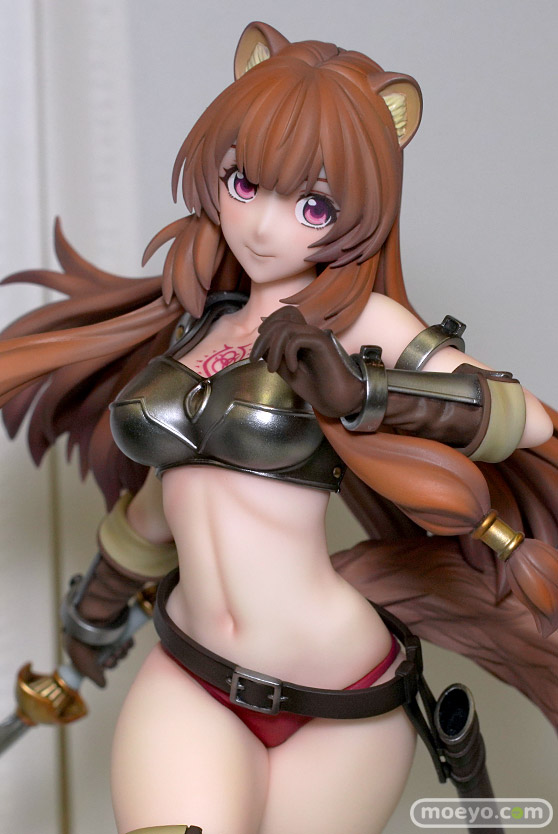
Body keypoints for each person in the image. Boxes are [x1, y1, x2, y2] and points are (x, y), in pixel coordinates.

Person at [1, 21, 557, 834]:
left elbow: (524, 417)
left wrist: (361, 389)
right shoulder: (195, 323)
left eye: (311, 205)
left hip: (340, 702)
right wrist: (98, 605)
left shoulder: (361, 322)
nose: (263, 228)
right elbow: (166, 503)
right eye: (243, 183)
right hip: (193, 671)